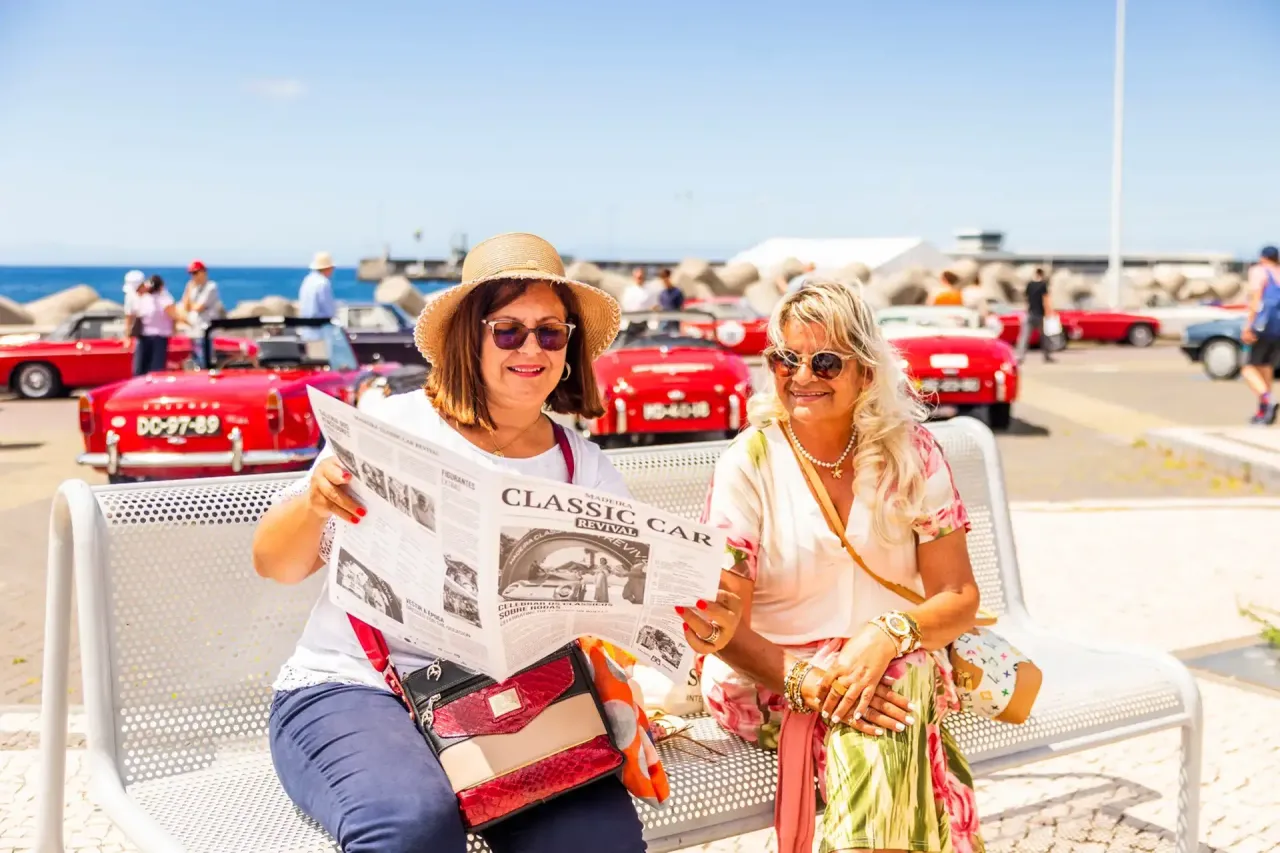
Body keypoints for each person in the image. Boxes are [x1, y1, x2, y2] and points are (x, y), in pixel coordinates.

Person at [252, 232, 743, 853]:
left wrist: (700, 624)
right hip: (356, 686)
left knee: (598, 844)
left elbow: (641, 618)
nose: (531, 348)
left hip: (511, 703)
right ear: (471, 337)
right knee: (411, 827)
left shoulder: (584, 469)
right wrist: (314, 502)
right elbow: (274, 564)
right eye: (508, 331)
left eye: (551, 333)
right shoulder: (395, 424)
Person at [699, 278, 985, 853]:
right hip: (772, 680)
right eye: (786, 359)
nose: (802, 376)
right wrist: (818, 683)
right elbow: (722, 629)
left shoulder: (911, 455)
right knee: (891, 719)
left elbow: (957, 597)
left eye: (826, 362)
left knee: (894, 691)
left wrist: (888, 633)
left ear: (866, 372)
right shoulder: (750, 464)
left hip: (890, 662)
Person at [1242, 245, 1280, 425]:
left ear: (1263, 257)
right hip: (1278, 329)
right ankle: (1263, 412)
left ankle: (1267, 399)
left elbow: (1256, 300)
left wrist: (1248, 326)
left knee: (1248, 369)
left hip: (1263, 327)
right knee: (1266, 367)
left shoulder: (1259, 271)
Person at [129, 275, 183, 375]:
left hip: (156, 337)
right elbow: (174, 315)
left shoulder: (162, 298)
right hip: (150, 337)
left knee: (149, 368)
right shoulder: (159, 298)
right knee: (149, 368)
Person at [180, 260, 224, 367]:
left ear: (203, 272)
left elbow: (198, 307)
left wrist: (190, 304)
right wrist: (188, 290)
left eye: (195, 273)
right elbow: (185, 306)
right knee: (195, 361)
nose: (193, 276)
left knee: (204, 360)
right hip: (194, 330)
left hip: (205, 330)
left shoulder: (211, 287)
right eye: (191, 273)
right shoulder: (193, 288)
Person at [1015, 267, 1055, 364]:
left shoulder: (1030, 284)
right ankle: (1047, 356)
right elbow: (1045, 299)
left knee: (1024, 337)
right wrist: (1049, 312)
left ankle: (1020, 356)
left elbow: (1026, 299)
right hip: (1039, 314)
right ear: (1042, 275)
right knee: (1044, 337)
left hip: (1030, 313)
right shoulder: (1043, 285)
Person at [298, 251, 337, 321]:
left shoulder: (307, 280)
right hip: (319, 325)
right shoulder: (323, 283)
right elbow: (329, 311)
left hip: (305, 324)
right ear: (328, 268)